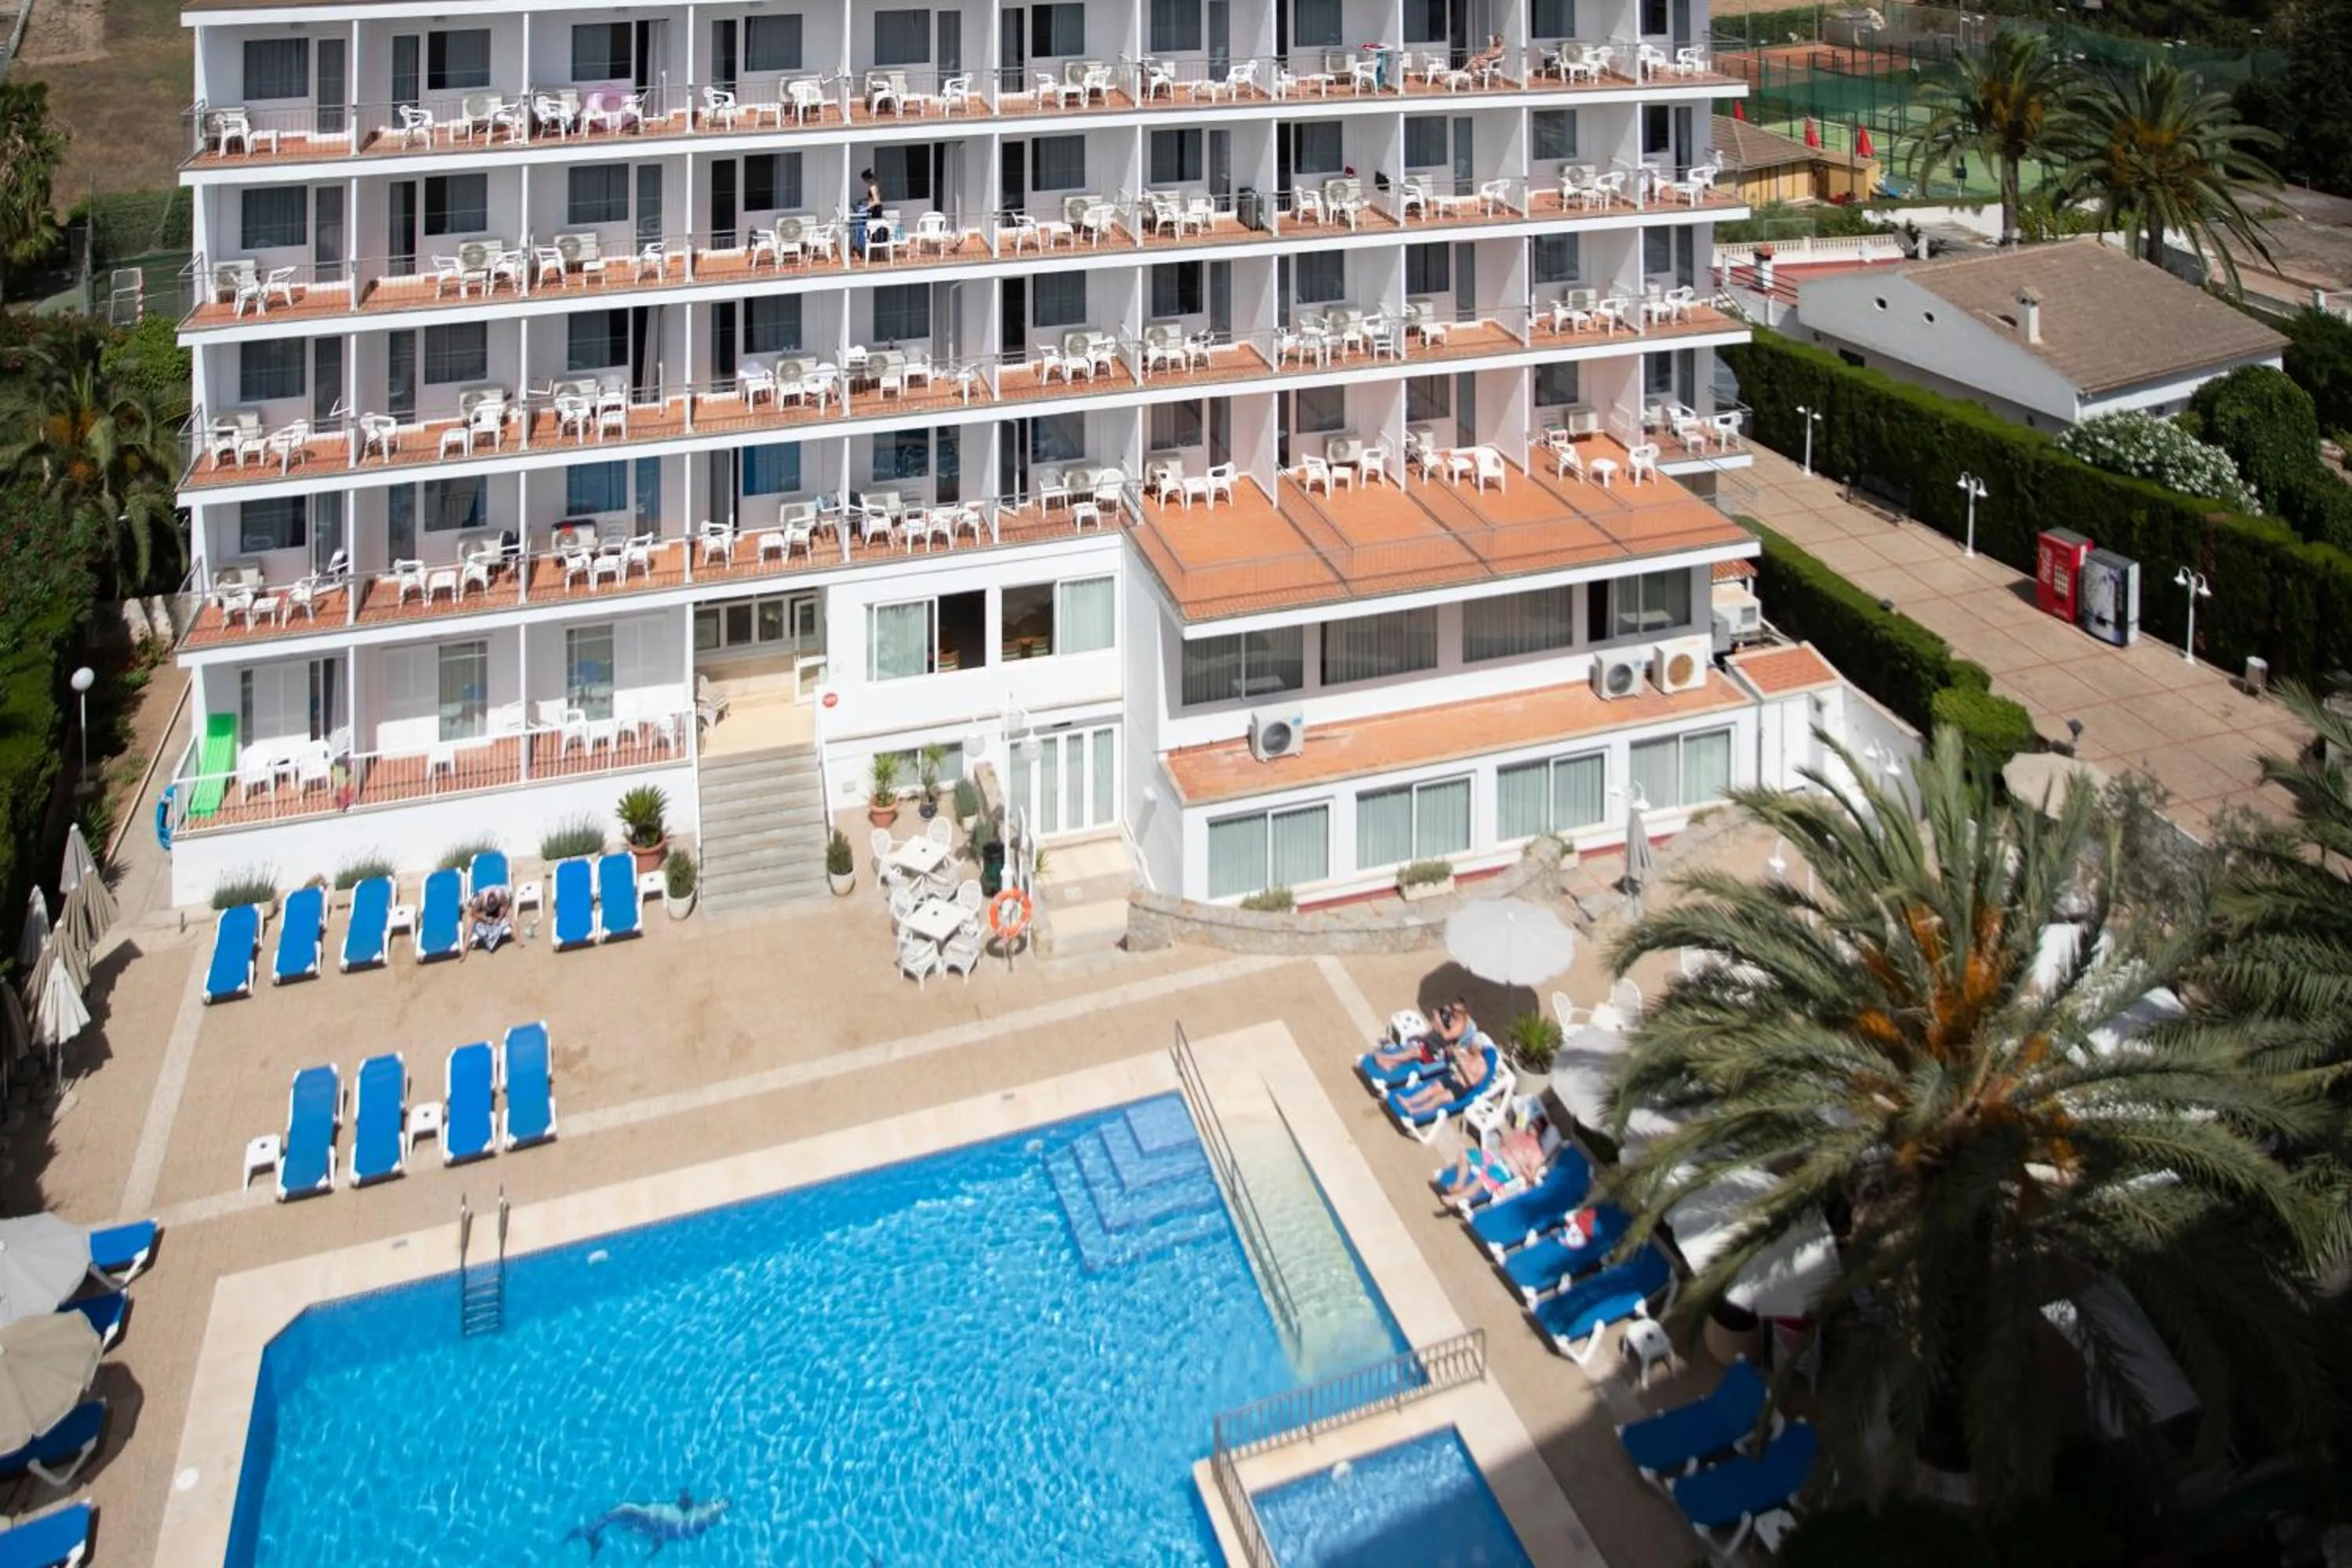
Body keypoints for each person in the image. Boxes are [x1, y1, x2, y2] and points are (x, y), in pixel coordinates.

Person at [1396, 1040, 1486, 1116]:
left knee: (1438, 1099)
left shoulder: (1482, 1067)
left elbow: (1472, 1082)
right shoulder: (1467, 1052)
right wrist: (1451, 1052)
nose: (1470, 1046)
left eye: (1472, 1045)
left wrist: (1462, 1065)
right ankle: (1408, 1102)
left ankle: (1415, 1111)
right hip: (1451, 1076)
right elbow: (1451, 1058)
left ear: (1478, 1049)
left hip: (1460, 1088)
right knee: (1430, 1090)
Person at [464, 885, 512, 958]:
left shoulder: (501, 895)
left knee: (509, 914)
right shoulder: (480, 899)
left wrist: (499, 918)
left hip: (496, 907)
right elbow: (473, 913)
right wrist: (484, 918)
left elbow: (505, 905)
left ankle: (517, 938)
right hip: (481, 909)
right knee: (471, 922)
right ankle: (465, 948)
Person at [855, 169, 889, 260]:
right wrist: (864, 200)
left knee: (873, 229)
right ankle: (876, 252)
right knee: (875, 229)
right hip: (877, 209)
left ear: (867, 178)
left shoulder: (872, 187)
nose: (864, 182)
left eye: (864, 180)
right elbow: (873, 197)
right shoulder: (875, 185)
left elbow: (877, 201)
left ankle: (873, 252)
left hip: (876, 210)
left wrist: (866, 208)